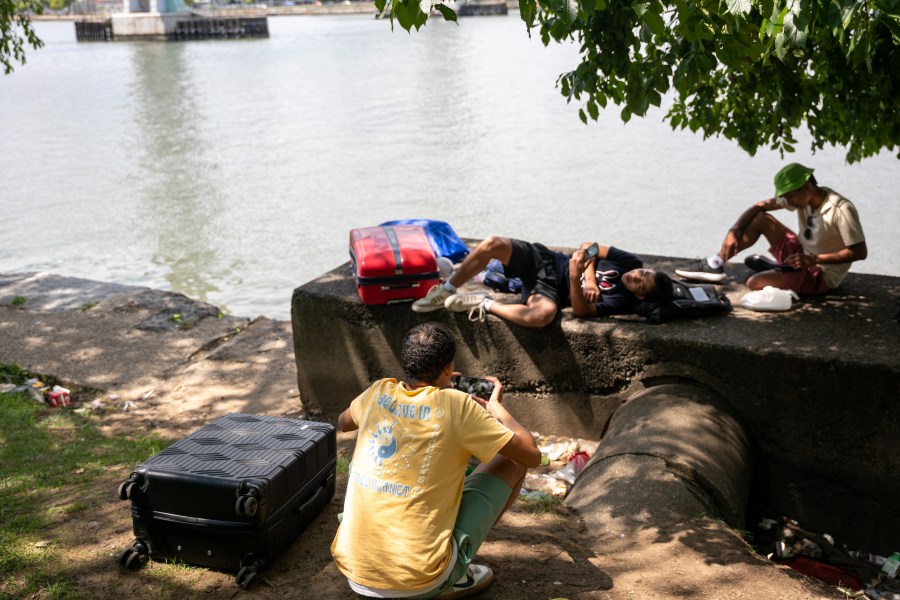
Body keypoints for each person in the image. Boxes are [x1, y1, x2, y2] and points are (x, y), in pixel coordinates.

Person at [331, 322, 541, 599]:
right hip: (419, 582)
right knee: (513, 462)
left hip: (356, 572)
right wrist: (497, 409)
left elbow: (343, 422)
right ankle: (455, 573)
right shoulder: (458, 405)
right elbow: (532, 455)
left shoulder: (377, 392)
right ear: (447, 369)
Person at [675, 163, 867, 295]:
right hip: (802, 255)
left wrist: (813, 260)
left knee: (754, 283)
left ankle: (779, 270)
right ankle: (716, 263)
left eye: (790, 196)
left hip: (820, 273)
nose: (788, 202)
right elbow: (760, 206)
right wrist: (733, 231)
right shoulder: (804, 198)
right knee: (761, 219)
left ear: (807, 186)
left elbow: (859, 252)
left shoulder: (841, 209)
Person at [411, 236, 674, 327]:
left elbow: (582, 312)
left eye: (641, 284)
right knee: (492, 244)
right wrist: (589, 277)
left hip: (550, 288)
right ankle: (445, 290)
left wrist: (574, 278)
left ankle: (483, 302)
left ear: (640, 296)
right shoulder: (631, 263)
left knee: (541, 317)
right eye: (645, 274)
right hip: (544, 259)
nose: (637, 277)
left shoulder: (623, 301)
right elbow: (589, 246)